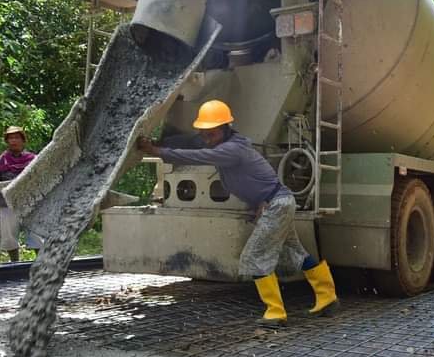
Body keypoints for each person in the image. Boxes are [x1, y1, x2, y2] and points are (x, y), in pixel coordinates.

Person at [137, 99, 339, 325]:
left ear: (225, 129)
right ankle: (328, 298)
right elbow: (192, 143)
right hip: (278, 202)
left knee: (253, 257)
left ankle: (275, 312)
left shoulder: (232, 150)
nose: (207, 139)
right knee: (295, 252)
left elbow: (196, 156)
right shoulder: (226, 144)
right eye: (204, 134)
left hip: (278, 204)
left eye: (211, 134)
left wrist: (156, 151)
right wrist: (161, 141)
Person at [0, 126, 41, 262]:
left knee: (36, 234)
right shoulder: (0, 161)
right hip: (7, 204)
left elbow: (42, 181)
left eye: (16, 137)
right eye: (10, 138)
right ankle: (14, 264)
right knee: (9, 236)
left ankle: (40, 262)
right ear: (7, 141)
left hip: (31, 203)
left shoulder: (34, 159)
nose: (13, 141)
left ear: (23, 140)